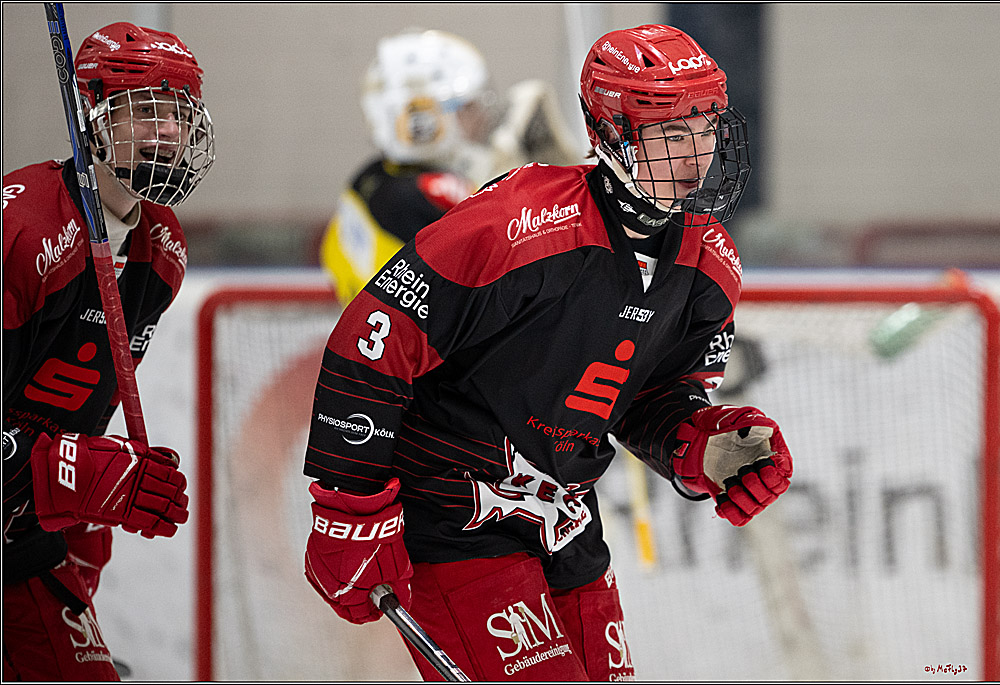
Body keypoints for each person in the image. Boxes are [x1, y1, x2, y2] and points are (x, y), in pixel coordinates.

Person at [301, 23, 792, 682]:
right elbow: (369, 344)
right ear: (613, 133)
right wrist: (347, 506)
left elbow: (649, 399)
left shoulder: (711, 264)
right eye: (671, 134)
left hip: (565, 521)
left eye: (704, 129)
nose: (695, 155)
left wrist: (700, 442)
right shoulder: (515, 222)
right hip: (454, 515)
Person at [3, 21, 214, 681]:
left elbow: (80, 417)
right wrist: (83, 477)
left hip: (23, 535)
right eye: (142, 110)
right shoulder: (23, 230)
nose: (165, 131)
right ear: (90, 115)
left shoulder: (163, 252)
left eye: (177, 114)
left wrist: (82, 517)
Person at [320, 28, 581, 305]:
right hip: (431, 345)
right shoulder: (415, 198)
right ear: (421, 123)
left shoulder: (371, 178)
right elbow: (530, 275)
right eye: (466, 107)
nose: (481, 116)